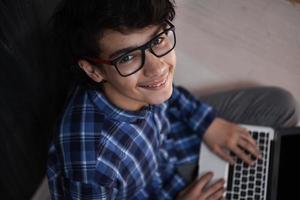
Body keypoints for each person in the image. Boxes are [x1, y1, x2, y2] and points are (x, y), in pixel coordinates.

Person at [46, 0, 299, 199]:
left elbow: (170, 95)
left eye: (157, 40)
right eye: (127, 57)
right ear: (93, 70)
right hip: (158, 193)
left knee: (280, 103)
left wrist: (209, 123)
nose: (157, 68)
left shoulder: (140, 86)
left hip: (171, 143)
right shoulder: (91, 167)